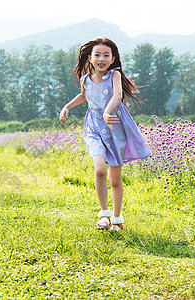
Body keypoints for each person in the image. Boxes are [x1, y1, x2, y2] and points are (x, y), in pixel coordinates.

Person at [59, 37, 152, 232]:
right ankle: (104, 214)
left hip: (114, 128)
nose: (101, 58)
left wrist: (107, 112)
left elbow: (118, 95)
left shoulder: (115, 75)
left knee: (115, 179)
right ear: (90, 58)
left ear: (113, 59)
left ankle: (117, 219)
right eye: (97, 55)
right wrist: (67, 106)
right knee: (100, 170)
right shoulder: (86, 79)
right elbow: (84, 96)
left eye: (106, 55)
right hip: (93, 129)